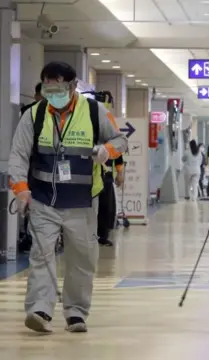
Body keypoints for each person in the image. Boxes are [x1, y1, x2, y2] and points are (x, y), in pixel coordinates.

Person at [8, 61, 128, 333]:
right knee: (41, 254)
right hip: (42, 199)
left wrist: (106, 150)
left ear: (74, 87)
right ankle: (40, 309)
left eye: (59, 88)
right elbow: (18, 154)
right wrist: (21, 188)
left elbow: (121, 141)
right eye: (48, 89)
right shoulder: (34, 115)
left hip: (82, 201)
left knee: (81, 258)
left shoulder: (96, 112)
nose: (54, 94)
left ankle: (76, 312)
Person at [97, 155, 124, 247]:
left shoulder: (113, 142)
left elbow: (118, 155)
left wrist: (120, 173)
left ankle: (103, 236)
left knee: (106, 208)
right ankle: (92, 235)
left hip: (106, 177)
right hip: (92, 176)